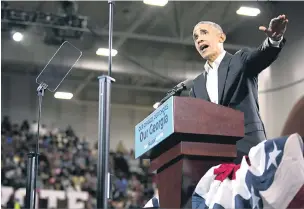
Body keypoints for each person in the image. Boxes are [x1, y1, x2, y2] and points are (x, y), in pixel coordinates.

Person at [189, 15, 288, 163]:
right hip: (214, 159)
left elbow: (261, 55)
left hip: (248, 150)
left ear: (221, 37)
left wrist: (274, 40)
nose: (199, 39)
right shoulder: (196, 85)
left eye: (204, 33)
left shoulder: (240, 60)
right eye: (195, 37)